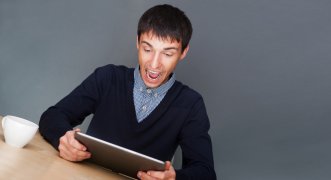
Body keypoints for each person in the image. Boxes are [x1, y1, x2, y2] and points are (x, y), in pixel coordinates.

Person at [39, 4, 216, 180]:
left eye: (167, 54)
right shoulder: (107, 78)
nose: (154, 64)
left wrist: (174, 178)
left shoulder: (191, 104)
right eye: (147, 49)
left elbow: (205, 172)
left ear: (183, 52)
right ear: (138, 42)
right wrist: (63, 139)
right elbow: (52, 116)